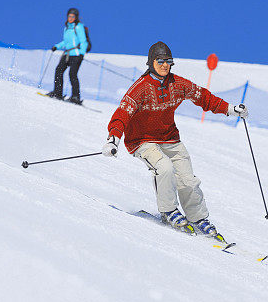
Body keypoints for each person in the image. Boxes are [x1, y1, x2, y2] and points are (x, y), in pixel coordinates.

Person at [101, 41, 249, 238]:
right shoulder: (141, 88)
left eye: (168, 61)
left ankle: (198, 218)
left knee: (188, 180)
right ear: (151, 62)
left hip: (170, 139)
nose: (164, 65)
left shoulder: (177, 84)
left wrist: (230, 109)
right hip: (142, 141)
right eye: (160, 61)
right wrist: (113, 139)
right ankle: (169, 210)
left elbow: (202, 97)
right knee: (164, 168)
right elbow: (122, 114)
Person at [47, 7, 87, 104]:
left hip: (76, 54)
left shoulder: (78, 27)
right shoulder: (66, 28)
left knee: (72, 74)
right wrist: (57, 46)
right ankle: (58, 93)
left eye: (72, 16)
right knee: (59, 70)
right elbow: (66, 42)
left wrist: (81, 53)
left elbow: (83, 41)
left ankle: (75, 97)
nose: (70, 18)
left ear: (76, 17)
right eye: (69, 16)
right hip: (67, 54)